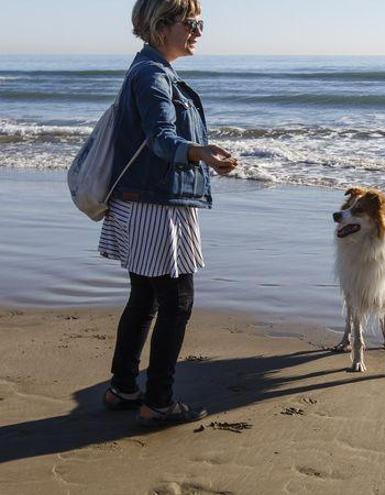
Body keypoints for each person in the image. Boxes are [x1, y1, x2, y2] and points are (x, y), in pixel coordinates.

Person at [98, 0, 237, 426]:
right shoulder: (152, 75)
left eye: (201, 23)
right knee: (176, 302)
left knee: (144, 298)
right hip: (157, 207)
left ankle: (123, 387)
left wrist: (199, 154)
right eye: (191, 23)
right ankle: (159, 400)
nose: (198, 31)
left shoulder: (151, 72)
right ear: (162, 26)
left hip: (145, 201)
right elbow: (161, 139)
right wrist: (201, 152)